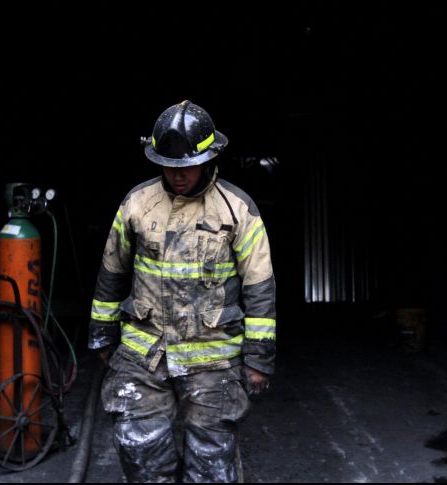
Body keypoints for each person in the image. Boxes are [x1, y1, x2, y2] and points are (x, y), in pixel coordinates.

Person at [88, 100, 276, 483]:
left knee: (211, 461)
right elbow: (112, 271)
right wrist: (103, 333)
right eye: (169, 167)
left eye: (187, 167)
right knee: (137, 445)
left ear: (209, 159)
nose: (178, 176)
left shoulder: (237, 209)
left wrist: (258, 358)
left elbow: (260, 287)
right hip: (145, 349)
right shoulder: (137, 204)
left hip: (213, 356)